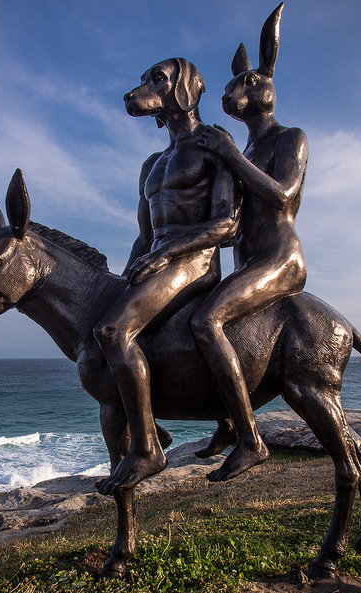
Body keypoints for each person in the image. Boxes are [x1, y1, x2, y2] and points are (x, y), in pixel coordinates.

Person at [94, 58, 240, 495]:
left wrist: (164, 255)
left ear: (185, 88)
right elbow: (144, 237)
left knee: (112, 330)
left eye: (157, 79)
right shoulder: (151, 165)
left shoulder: (213, 143)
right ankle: (155, 420)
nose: (140, 89)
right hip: (158, 260)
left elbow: (227, 224)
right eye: (144, 80)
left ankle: (147, 450)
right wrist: (123, 280)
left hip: (194, 261)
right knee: (96, 324)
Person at [191, 3, 308, 482]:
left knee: (207, 319)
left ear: (266, 86)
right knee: (191, 310)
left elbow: (282, 195)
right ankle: (225, 422)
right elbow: (232, 221)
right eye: (231, 86)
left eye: (247, 82)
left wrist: (230, 155)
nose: (233, 92)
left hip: (279, 259)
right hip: (246, 260)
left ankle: (249, 439)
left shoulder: (289, 139)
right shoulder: (245, 150)